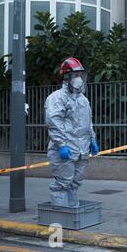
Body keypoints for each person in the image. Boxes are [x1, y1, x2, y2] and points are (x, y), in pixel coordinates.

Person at [45, 57, 99, 208]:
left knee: (75, 183)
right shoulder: (57, 98)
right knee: (62, 183)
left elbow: (88, 122)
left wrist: (92, 140)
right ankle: (60, 216)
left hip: (81, 149)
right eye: (76, 75)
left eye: (81, 75)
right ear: (67, 77)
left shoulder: (83, 100)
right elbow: (54, 123)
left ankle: (72, 213)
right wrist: (61, 145)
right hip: (65, 150)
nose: (79, 79)